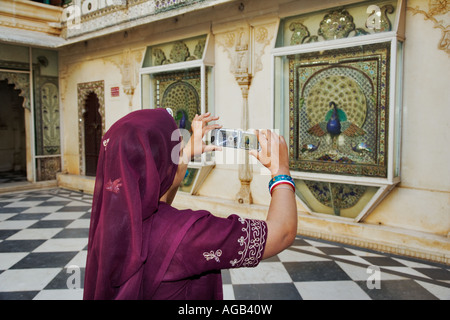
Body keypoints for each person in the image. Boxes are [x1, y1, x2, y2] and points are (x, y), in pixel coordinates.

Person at [83, 108, 297, 300]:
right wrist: (281, 171)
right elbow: (282, 233)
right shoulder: (187, 234)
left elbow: (157, 197)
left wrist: (183, 155)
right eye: (175, 146)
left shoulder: (108, 227)